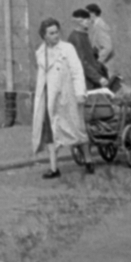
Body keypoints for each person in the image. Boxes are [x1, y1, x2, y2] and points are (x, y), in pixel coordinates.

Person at [32, 17, 87, 179]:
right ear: (44, 36)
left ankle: (89, 160)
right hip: (49, 98)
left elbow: (77, 71)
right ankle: (54, 168)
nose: (56, 35)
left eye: (57, 32)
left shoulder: (67, 49)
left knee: (77, 128)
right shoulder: (40, 53)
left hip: (66, 96)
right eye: (51, 33)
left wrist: (80, 93)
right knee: (51, 133)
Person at [67, 9, 112, 90]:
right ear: (78, 22)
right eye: (85, 20)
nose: (88, 22)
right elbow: (82, 63)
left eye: (88, 19)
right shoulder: (76, 38)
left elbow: (88, 57)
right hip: (86, 83)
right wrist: (98, 78)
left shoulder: (83, 35)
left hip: (91, 79)